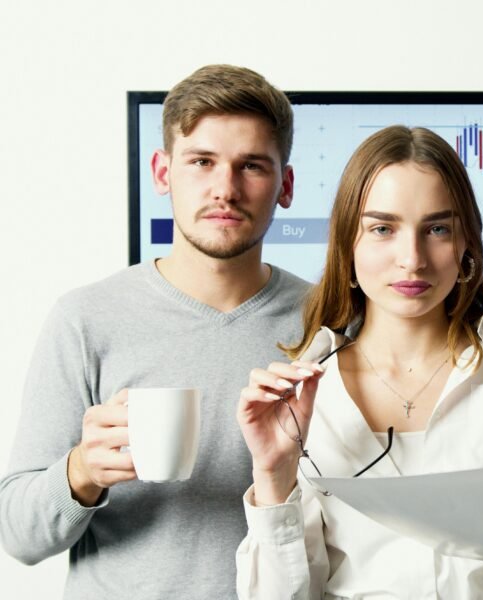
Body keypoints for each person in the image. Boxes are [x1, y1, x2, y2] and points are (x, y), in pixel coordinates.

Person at [235, 125, 483, 599]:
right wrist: (274, 477)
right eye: (382, 229)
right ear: (347, 246)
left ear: (465, 246)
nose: (412, 259)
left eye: (437, 229)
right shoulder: (307, 397)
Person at [0, 65, 309, 598]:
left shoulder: (329, 321)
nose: (225, 189)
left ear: (285, 185)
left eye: (251, 166)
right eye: (202, 162)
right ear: (163, 173)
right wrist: (81, 472)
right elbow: (18, 535)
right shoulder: (85, 319)